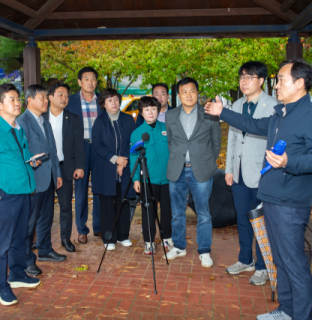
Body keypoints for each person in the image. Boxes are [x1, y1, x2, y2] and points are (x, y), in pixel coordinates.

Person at [205, 59, 312, 320]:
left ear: (299, 83)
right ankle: (286, 310)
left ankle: (302, 316)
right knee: (279, 259)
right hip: (271, 197)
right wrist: (223, 112)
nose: (277, 85)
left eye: (281, 80)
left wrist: (289, 161)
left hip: (291, 202)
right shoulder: (279, 113)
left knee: (294, 263)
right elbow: (252, 125)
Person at [0, 83, 41, 306]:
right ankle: (0, 286)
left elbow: (19, 157)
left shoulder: (18, 128)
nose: (17, 103)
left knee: (20, 237)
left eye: (17, 98)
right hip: (5, 195)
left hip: (23, 192)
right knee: (2, 243)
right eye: (11, 99)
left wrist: (32, 159)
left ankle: (17, 274)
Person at [224, 61, 278, 286]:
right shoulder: (237, 105)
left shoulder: (274, 106)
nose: (244, 82)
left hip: (262, 173)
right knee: (243, 218)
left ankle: (263, 266)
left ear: (262, 81)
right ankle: (245, 259)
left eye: (250, 77)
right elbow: (233, 139)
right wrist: (228, 169)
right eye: (241, 77)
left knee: (262, 222)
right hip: (238, 173)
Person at [164, 77, 221, 268]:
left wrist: (208, 163)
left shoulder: (209, 114)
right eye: (184, 92)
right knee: (177, 213)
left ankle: (204, 250)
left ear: (197, 93)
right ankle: (179, 246)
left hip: (201, 171)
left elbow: (216, 143)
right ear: (178, 95)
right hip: (177, 170)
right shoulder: (171, 116)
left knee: (204, 213)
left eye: (192, 91)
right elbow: (171, 142)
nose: (189, 95)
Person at [17, 84, 66, 278]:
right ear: (29, 100)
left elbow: (52, 150)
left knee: (46, 217)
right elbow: (23, 153)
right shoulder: (22, 122)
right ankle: (26, 260)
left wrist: (58, 173)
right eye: (42, 98)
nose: (46, 101)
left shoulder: (43, 121)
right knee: (29, 224)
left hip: (49, 179)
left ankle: (45, 250)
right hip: (33, 181)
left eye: (47, 98)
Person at [92, 88, 136, 251]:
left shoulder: (128, 119)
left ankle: (123, 235)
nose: (114, 103)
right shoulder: (99, 121)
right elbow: (97, 144)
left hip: (124, 166)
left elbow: (132, 142)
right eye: (110, 100)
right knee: (107, 205)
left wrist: (122, 161)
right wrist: (114, 159)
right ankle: (109, 238)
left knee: (123, 201)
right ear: (103, 104)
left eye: (116, 99)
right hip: (105, 168)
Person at [44, 82, 85, 253]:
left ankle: (65, 238)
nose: (64, 98)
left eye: (67, 95)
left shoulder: (73, 118)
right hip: (44, 168)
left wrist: (80, 166)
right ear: (50, 97)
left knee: (66, 206)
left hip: (66, 167)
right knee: (43, 208)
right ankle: (41, 241)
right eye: (60, 94)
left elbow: (79, 145)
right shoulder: (41, 117)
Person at [130, 96, 172, 254]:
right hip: (148, 178)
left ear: (158, 110)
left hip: (167, 178)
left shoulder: (166, 128)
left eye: (153, 109)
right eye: (146, 109)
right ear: (141, 112)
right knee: (149, 211)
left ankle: (167, 237)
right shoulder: (137, 133)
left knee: (168, 210)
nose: (150, 112)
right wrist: (136, 179)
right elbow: (134, 157)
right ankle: (149, 241)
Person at [66, 67, 103, 244]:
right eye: (86, 79)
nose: (90, 82)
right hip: (79, 150)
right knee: (80, 190)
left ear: (96, 82)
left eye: (93, 79)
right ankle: (82, 229)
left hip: (99, 149)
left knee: (99, 188)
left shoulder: (103, 100)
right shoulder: (71, 101)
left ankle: (99, 226)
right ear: (80, 82)